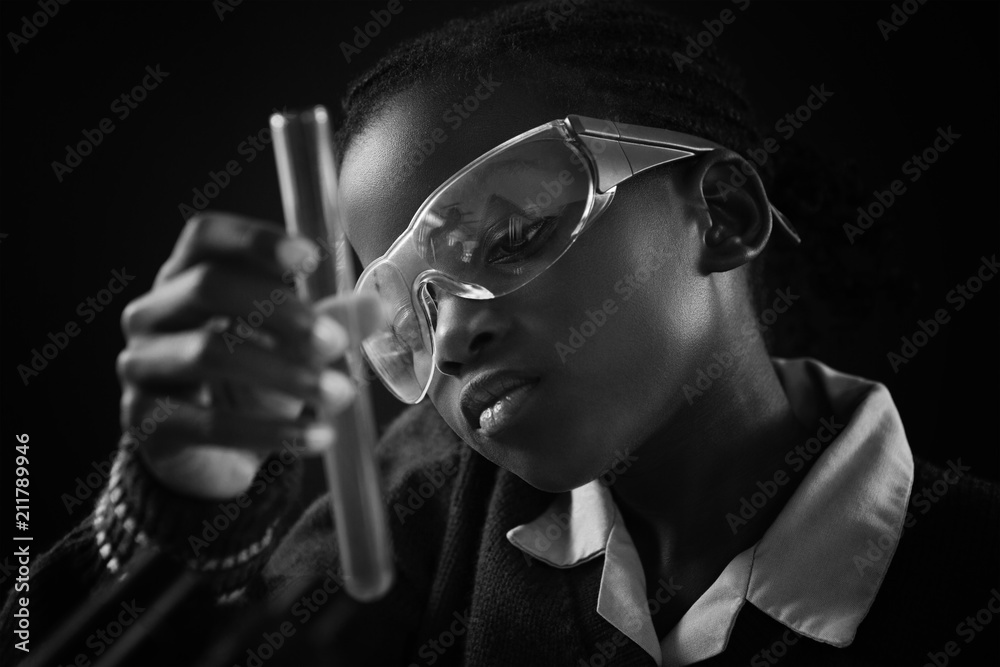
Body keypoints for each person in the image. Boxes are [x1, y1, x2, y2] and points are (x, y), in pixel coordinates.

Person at [3, 1, 998, 665]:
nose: (456, 336)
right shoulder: (423, 503)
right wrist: (176, 500)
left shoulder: (960, 566)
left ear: (726, 215)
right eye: (405, 307)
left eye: (513, 234)